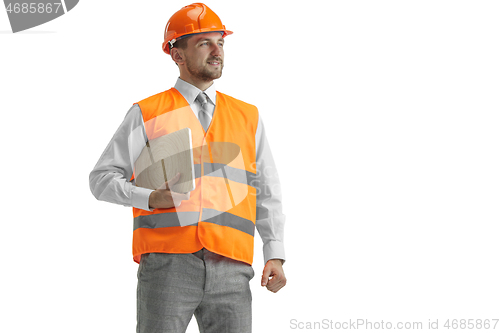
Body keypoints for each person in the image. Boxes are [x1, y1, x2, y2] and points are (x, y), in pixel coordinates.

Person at [89, 3, 286, 332]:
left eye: (220, 42)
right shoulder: (148, 112)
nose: (216, 51)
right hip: (167, 262)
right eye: (203, 43)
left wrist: (275, 252)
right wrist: (149, 197)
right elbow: (102, 179)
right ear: (176, 55)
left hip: (233, 266)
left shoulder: (248, 116)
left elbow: (267, 189)